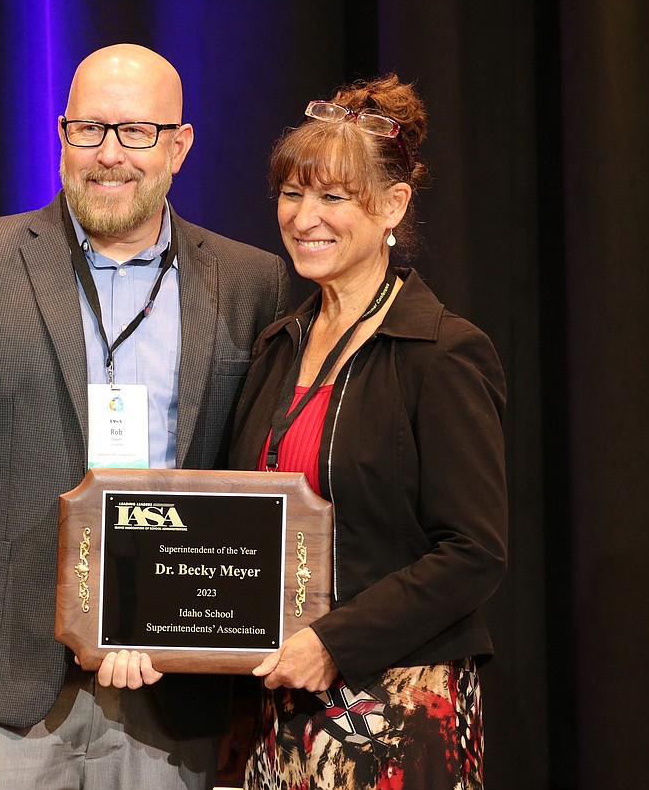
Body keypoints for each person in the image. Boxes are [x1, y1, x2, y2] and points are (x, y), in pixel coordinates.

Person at [0, 43, 289, 789]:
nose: (108, 155)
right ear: (61, 133)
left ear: (179, 146)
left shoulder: (251, 282)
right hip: (1, 696)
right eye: (87, 129)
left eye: (135, 132)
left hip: (175, 698)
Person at [228, 75, 507, 789]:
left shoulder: (441, 351)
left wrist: (334, 642)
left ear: (392, 205)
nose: (304, 217)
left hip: (394, 713)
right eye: (292, 194)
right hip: (277, 706)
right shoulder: (277, 344)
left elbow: (473, 552)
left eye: (333, 197)